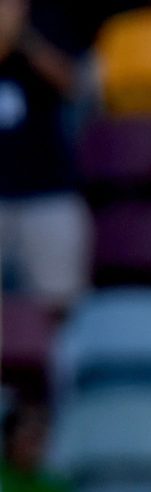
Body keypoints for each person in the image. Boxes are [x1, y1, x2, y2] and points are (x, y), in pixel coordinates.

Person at [0, 0, 90, 314]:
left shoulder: (51, 18)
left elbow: (73, 84)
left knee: (58, 309)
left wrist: (23, 38)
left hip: (48, 190)